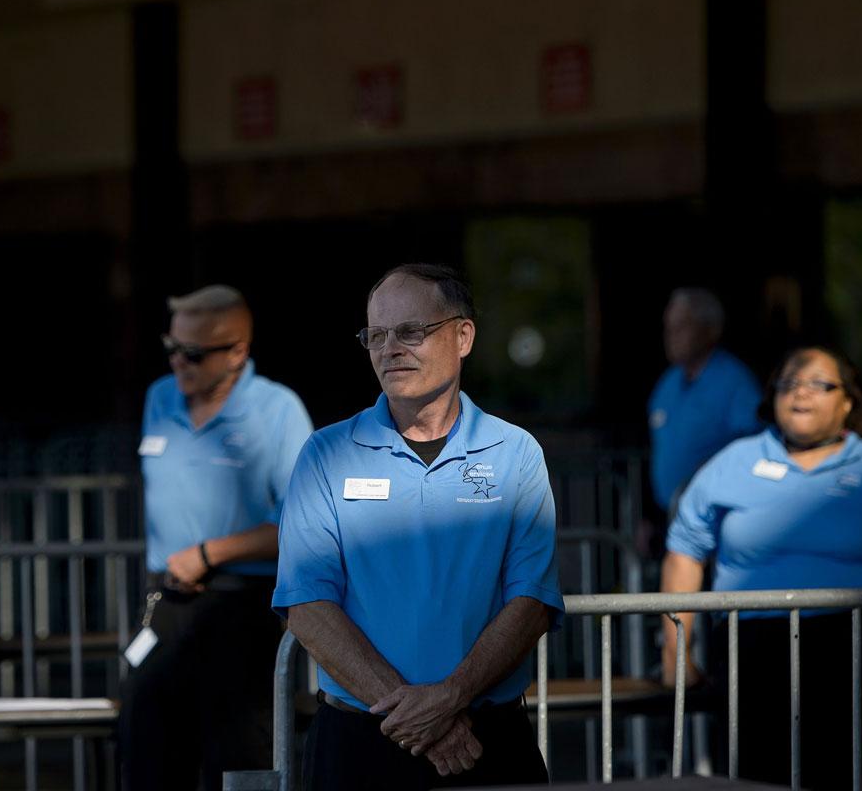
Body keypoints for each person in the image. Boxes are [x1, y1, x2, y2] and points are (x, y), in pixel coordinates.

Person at [273, 263, 564, 790]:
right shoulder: (326, 454)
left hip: (485, 739)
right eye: (376, 336)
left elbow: (532, 602)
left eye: (410, 331)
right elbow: (307, 606)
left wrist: (449, 698)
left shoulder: (516, 452)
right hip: (360, 742)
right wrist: (418, 719)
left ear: (463, 335)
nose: (390, 349)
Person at [660, 345, 862, 789]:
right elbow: (684, 552)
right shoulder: (731, 463)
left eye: (818, 383)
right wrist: (676, 650)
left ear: (848, 401)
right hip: (758, 650)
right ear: (772, 398)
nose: (800, 393)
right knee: (762, 777)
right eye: (788, 383)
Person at [117, 284, 314, 791]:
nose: (179, 363)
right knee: (149, 756)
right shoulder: (160, 398)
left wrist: (210, 553)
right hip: (167, 599)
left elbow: (303, 520)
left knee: (239, 762)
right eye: (172, 348)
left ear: (238, 351)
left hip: (242, 607)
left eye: (195, 354)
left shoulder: (277, 409)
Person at [646, 287, 762, 515]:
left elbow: (755, 443)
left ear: (711, 330)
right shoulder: (667, 384)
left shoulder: (735, 382)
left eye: (682, 326)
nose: (672, 336)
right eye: (669, 327)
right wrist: (649, 514)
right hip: (668, 513)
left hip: (717, 513)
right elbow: (660, 450)